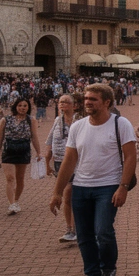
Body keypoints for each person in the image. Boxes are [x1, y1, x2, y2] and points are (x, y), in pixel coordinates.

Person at [48, 83, 137, 276]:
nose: (87, 102)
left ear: (106, 102)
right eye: (86, 99)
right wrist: (57, 192)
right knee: (85, 234)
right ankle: (92, 274)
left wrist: (123, 187)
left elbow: (131, 156)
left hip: (108, 186)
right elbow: (69, 160)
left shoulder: (120, 124)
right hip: (81, 186)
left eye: (93, 99)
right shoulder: (78, 126)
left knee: (103, 230)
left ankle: (108, 270)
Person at [0, 97, 40, 215]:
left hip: (23, 150)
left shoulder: (31, 120)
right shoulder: (5, 120)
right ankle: (12, 203)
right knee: (10, 178)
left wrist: (39, 152)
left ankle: (17, 200)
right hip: (9, 150)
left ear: (28, 108)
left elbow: (34, 137)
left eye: (25, 106)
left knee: (20, 179)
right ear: (15, 107)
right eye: (20, 105)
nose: (22, 108)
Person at [45, 94, 81, 242]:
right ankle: (70, 228)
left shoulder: (80, 121)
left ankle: (76, 228)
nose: (62, 104)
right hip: (60, 162)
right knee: (68, 196)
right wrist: (47, 161)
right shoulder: (57, 121)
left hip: (77, 161)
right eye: (60, 102)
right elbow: (49, 140)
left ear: (74, 105)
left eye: (66, 102)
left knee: (68, 193)